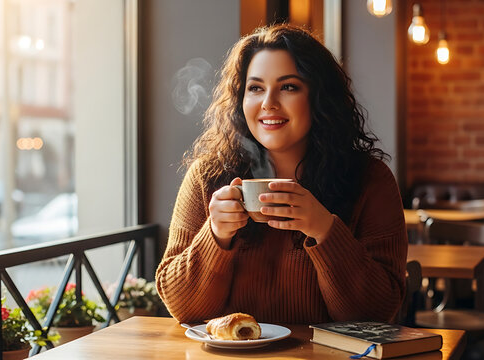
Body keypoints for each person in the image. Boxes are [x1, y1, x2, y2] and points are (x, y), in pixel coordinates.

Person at [156, 24, 407, 324]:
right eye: (255, 88)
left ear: (318, 98)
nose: (268, 103)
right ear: (240, 99)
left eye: (288, 86)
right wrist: (216, 236)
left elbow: (378, 313)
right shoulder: (206, 177)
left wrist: (324, 229)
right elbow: (183, 309)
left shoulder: (370, 180)